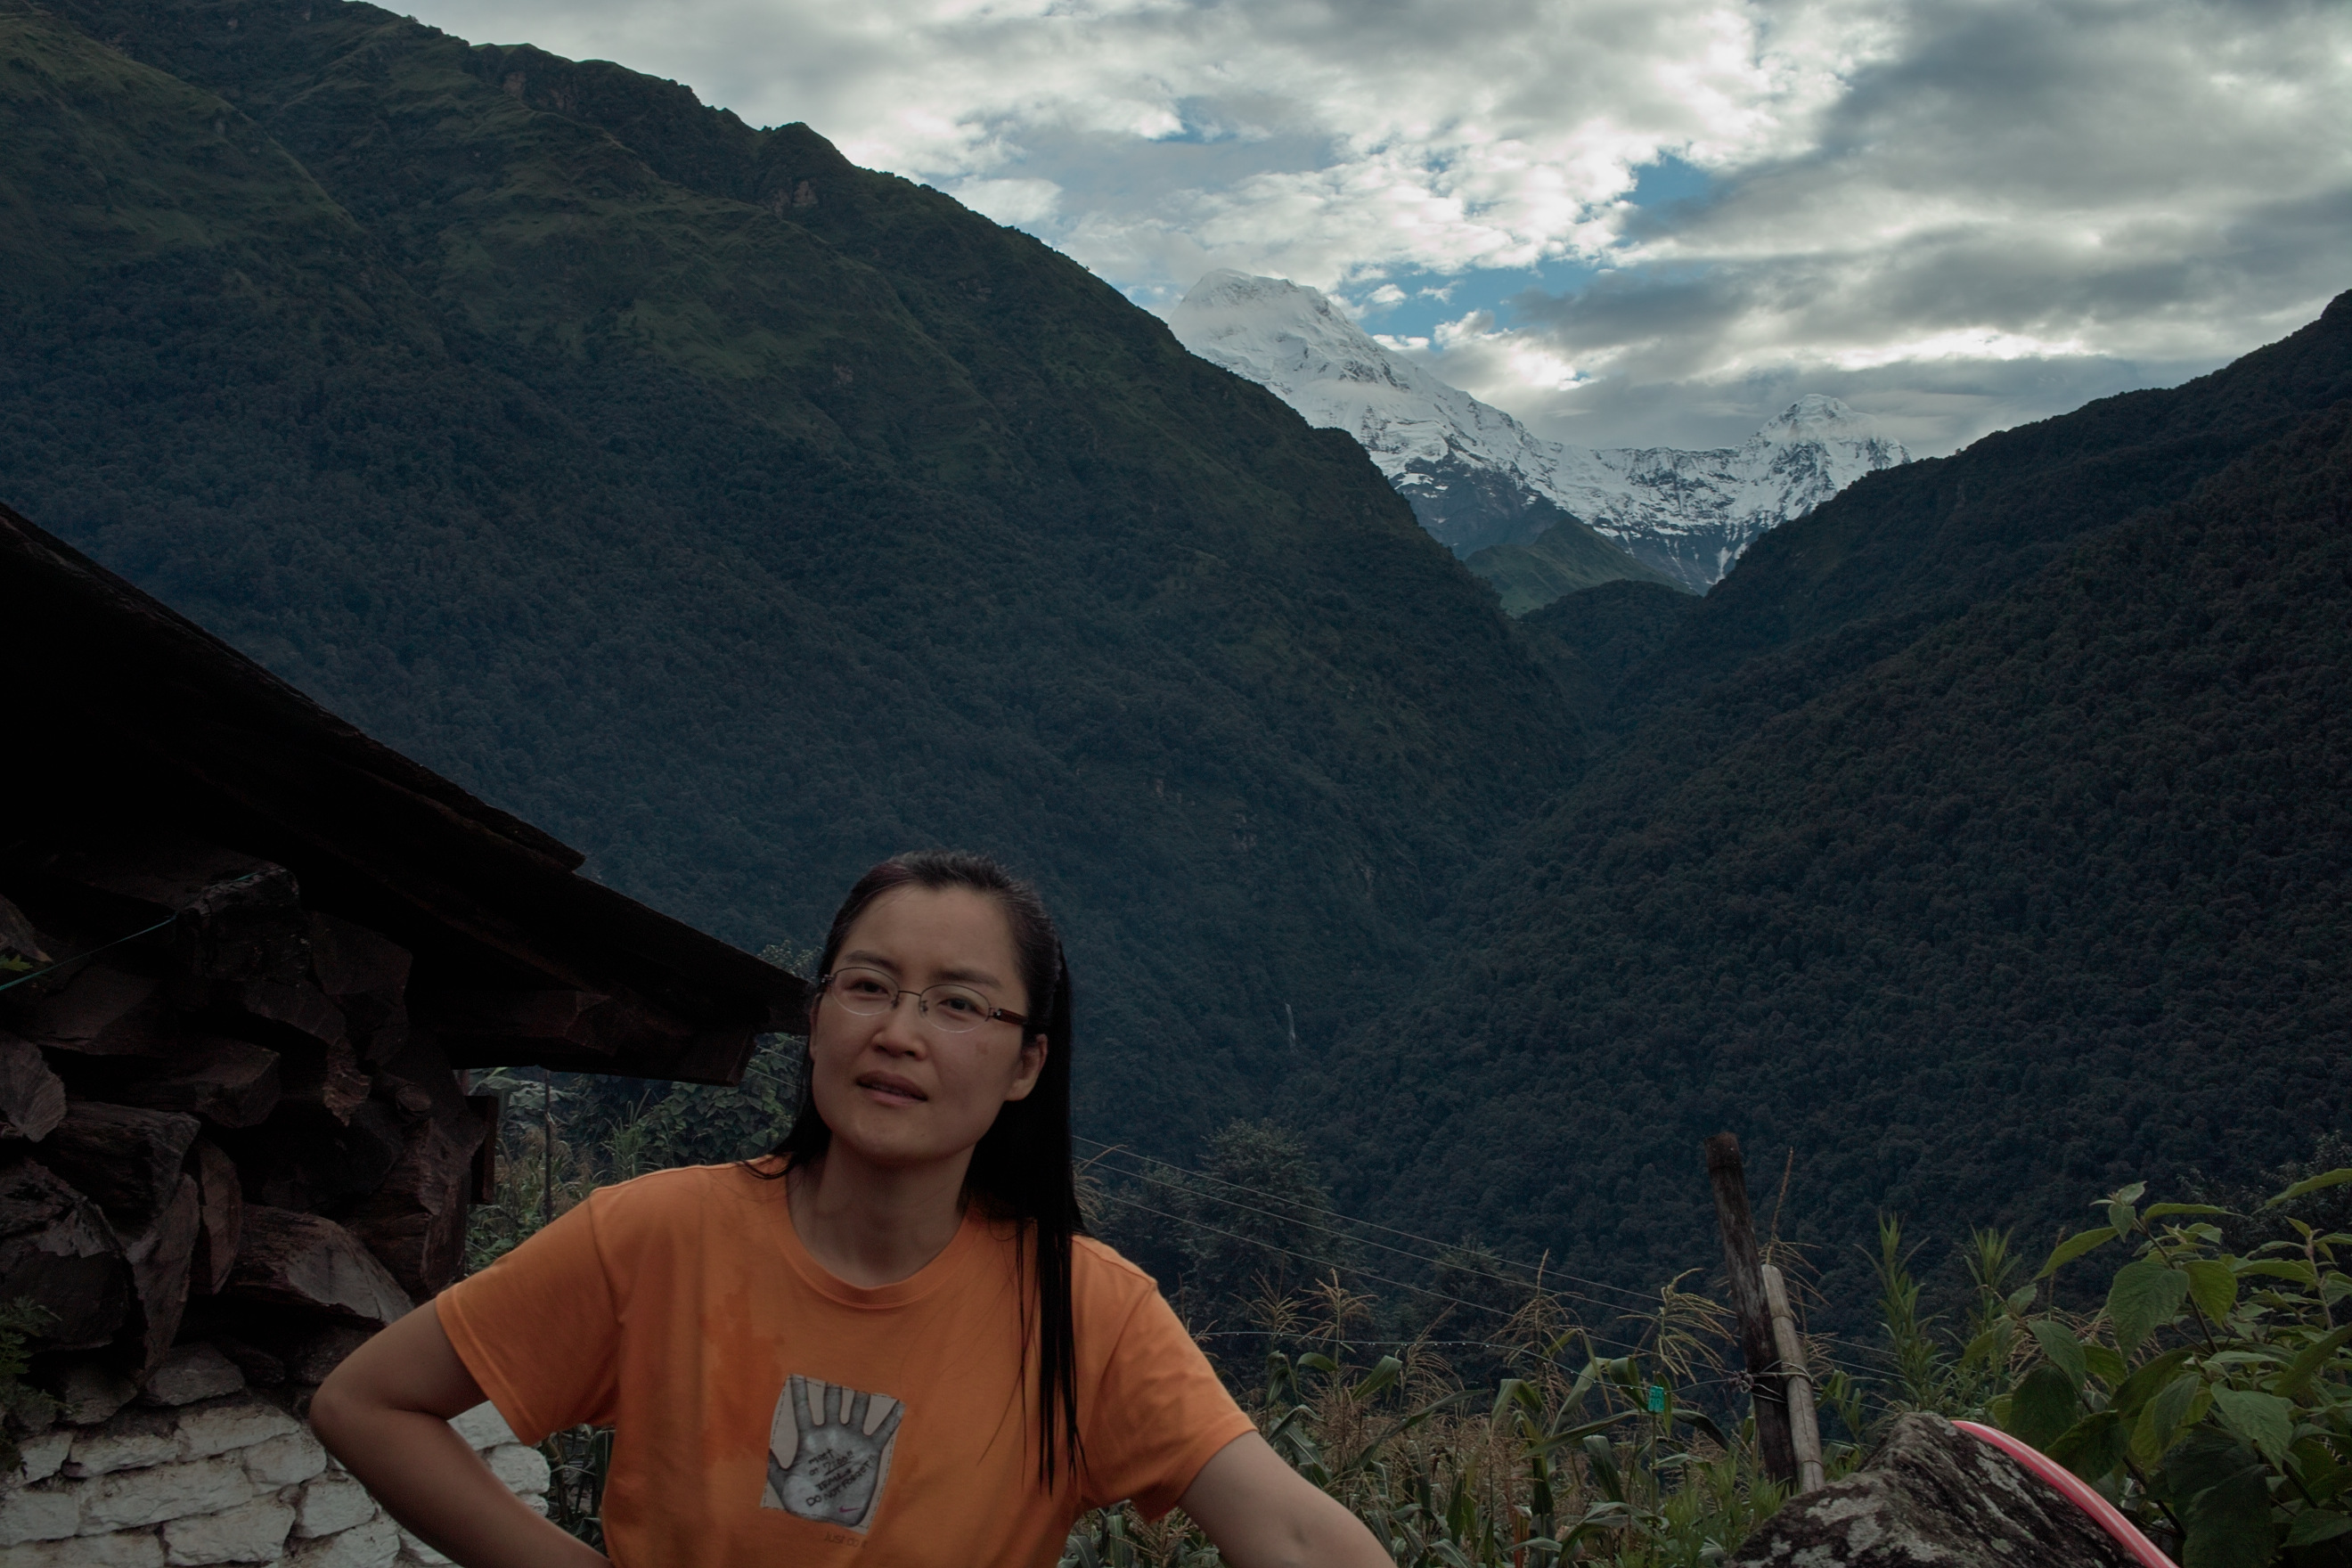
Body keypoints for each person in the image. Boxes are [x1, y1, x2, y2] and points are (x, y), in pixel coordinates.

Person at [314, 851, 1390, 1567]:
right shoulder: (657, 1235)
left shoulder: (1086, 1312)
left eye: (958, 1003)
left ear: (1027, 1062)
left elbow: (1297, 1537)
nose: (899, 1032)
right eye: (868, 985)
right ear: (819, 1013)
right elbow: (370, 1402)